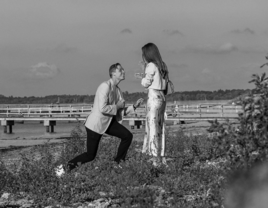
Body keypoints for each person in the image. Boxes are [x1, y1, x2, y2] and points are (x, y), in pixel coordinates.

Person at [56, 63, 143, 176]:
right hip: (95, 125)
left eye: (123, 70)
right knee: (90, 155)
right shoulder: (105, 86)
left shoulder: (118, 90)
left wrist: (134, 106)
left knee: (127, 136)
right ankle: (62, 169)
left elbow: (120, 111)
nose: (123, 71)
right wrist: (117, 106)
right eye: (120, 70)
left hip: (108, 122)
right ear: (113, 73)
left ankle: (118, 163)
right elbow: (103, 108)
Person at [139, 43, 169, 166]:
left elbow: (146, 83)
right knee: (160, 127)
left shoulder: (151, 65)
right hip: (162, 97)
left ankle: (153, 158)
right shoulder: (162, 65)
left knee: (152, 127)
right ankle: (160, 155)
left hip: (153, 97)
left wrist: (142, 76)